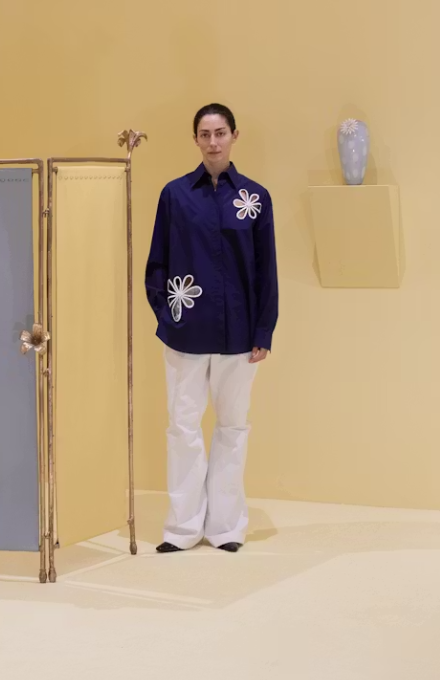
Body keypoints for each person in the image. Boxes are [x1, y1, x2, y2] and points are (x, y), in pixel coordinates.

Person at [145, 103, 278, 554]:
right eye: (205, 134)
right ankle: (182, 529)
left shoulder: (255, 198)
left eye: (220, 133)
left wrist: (263, 331)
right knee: (182, 428)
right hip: (185, 333)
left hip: (239, 336)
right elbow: (157, 264)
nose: (213, 142)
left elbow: (266, 271)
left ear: (234, 136)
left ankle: (225, 527)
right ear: (196, 140)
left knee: (233, 428)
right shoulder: (175, 195)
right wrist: (168, 317)